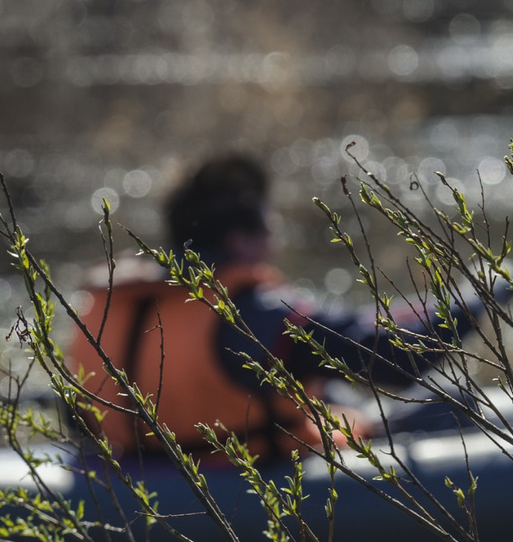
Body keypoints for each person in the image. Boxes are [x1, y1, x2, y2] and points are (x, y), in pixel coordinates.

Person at [68, 154, 476, 461]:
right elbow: (400, 359)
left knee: (328, 391)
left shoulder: (108, 304)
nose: (274, 241)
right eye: (268, 227)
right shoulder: (253, 313)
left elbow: (77, 417)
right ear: (239, 239)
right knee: (456, 404)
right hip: (250, 474)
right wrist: (479, 297)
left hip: (144, 467)